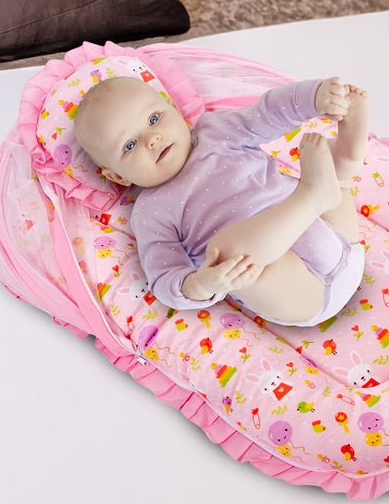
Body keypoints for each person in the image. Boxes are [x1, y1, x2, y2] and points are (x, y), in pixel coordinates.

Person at [74, 72, 370, 326]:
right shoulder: (150, 212)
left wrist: (314, 98)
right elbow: (163, 278)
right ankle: (313, 193)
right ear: (118, 177)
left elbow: (267, 113)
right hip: (302, 292)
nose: (152, 139)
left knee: (336, 171)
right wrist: (200, 283)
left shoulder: (217, 130)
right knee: (226, 253)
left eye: (154, 119)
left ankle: (347, 149)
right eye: (129, 145)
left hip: (336, 233)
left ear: (173, 108)